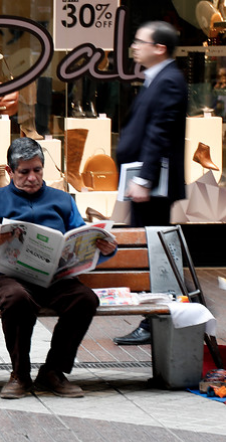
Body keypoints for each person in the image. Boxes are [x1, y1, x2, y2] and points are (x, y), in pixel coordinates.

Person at [0, 138, 118, 399]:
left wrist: (104, 248)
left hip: (53, 278)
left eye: (37, 170)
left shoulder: (63, 200)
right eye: (24, 172)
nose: (32, 177)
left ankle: (53, 372)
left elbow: (80, 240)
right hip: (9, 278)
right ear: (10, 172)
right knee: (17, 299)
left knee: (85, 299)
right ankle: (20, 375)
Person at [113, 21, 187, 346]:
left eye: (140, 42)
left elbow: (160, 132)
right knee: (151, 250)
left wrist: (144, 179)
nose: (134, 47)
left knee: (154, 253)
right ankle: (160, 314)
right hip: (146, 184)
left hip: (152, 188)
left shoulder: (169, 80)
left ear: (160, 48)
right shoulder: (156, 78)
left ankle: (157, 318)